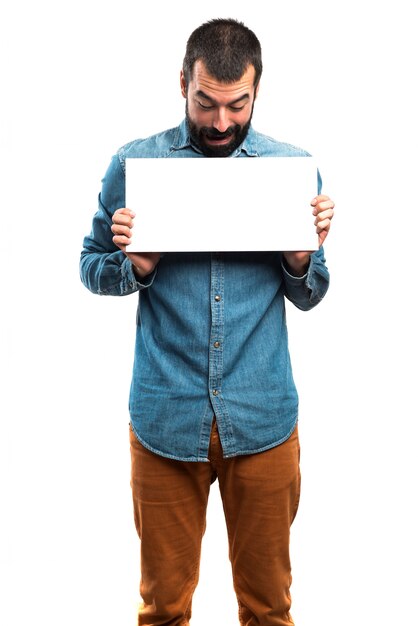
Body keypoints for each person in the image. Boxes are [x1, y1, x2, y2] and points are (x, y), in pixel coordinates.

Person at [80, 18, 334, 626]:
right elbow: (89, 266)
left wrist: (302, 258)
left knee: (269, 609)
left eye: (236, 105)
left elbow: (311, 294)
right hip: (166, 418)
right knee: (164, 609)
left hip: (263, 416)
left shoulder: (291, 169)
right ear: (183, 85)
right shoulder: (134, 163)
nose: (221, 122)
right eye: (205, 103)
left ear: (256, 92)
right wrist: (132, 266)